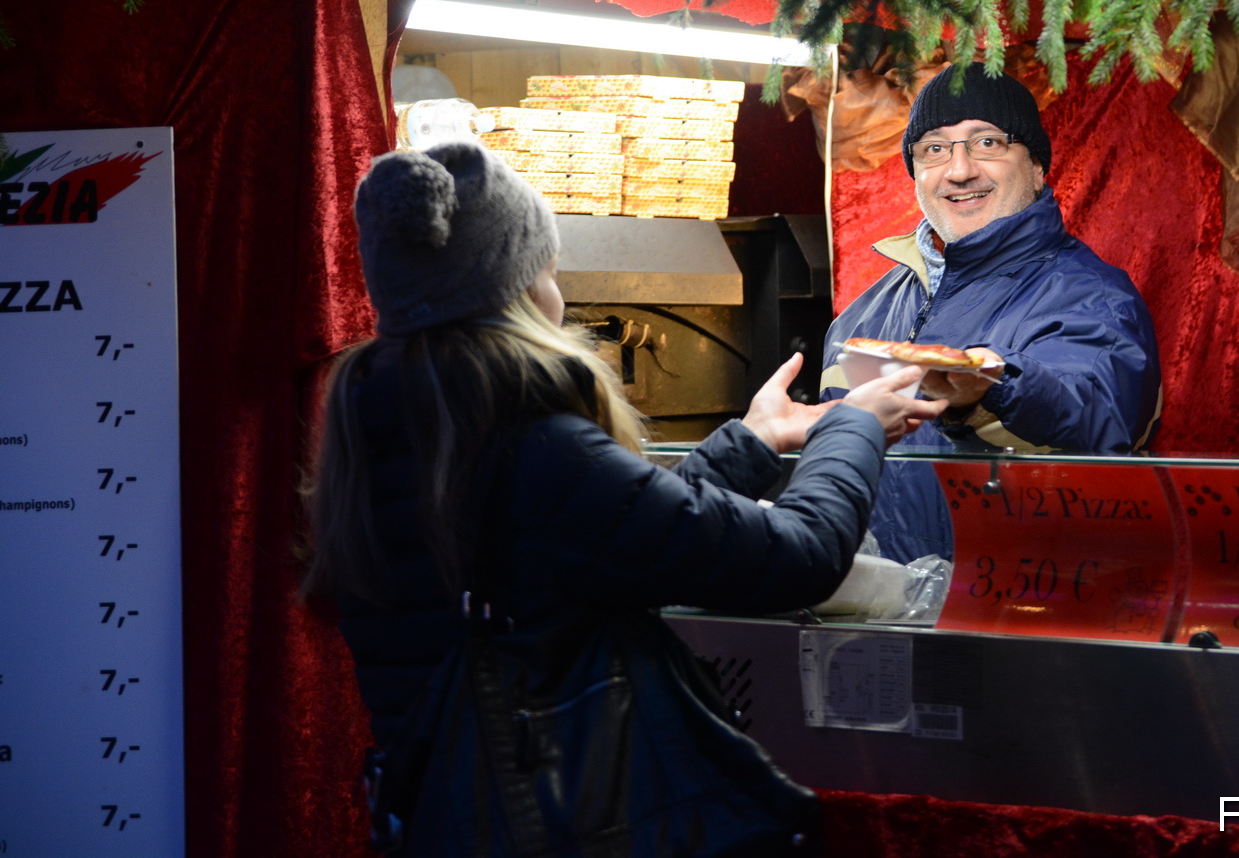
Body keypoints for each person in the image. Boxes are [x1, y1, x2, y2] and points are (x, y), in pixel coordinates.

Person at [302, 141, 941, 854]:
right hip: (573, 823)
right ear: (516, 286)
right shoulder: (531, 443)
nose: (561, 291)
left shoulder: (401, 429)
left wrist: (753, 441)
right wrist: (853, 426)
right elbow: (802, 556)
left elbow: (603, 538)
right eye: (548, 268)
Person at [820, 63, 1161, 562]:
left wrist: (992, 390)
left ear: (1038, 166)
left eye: (987, 143)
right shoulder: (861, 315)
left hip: (1017, 615)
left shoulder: (1096, 298)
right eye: (934, 149)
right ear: (915, 172)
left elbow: (1096, 422)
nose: (959, 171)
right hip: (880, 613)